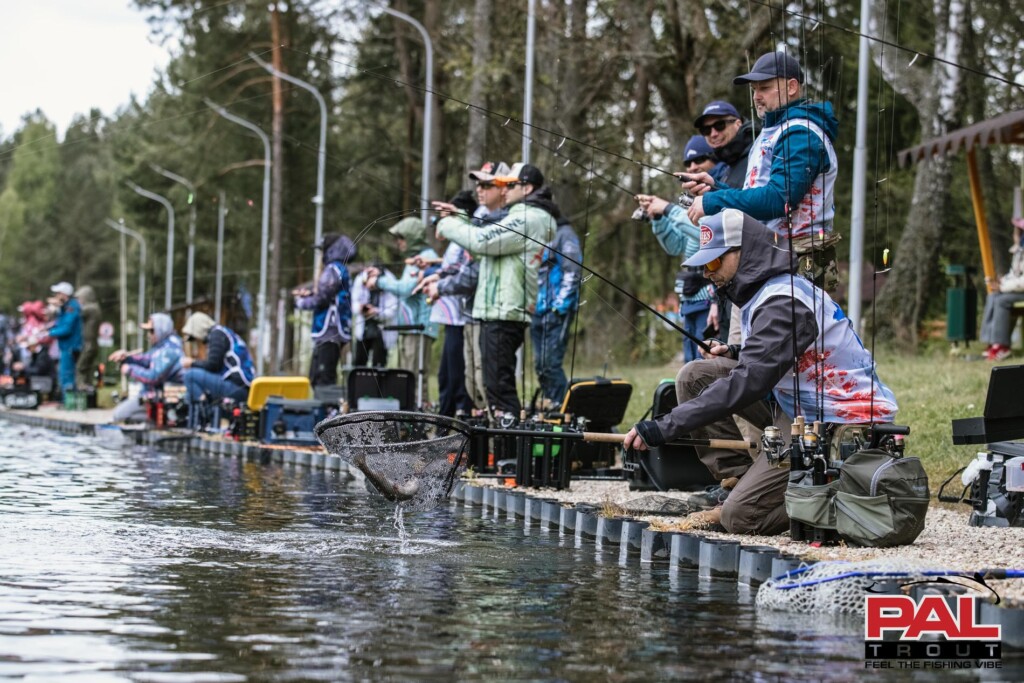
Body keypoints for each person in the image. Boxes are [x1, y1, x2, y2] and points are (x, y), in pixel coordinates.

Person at [622, 209, 898, 535]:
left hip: (834, 417)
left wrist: (663, 427)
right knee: (695, 376)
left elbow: (750, 381)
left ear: (746, 251)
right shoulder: (768, 292)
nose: (707, 273)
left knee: (741, 518)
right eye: (703, 265)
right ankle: (739, 481)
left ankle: (847, 487)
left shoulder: (783, 301)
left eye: (714, 262)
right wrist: (735, 352)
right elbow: (781, 356)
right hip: (797, 404)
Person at [685, 52, 840, 293]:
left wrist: (714, 201)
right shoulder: (773, 131)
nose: (756, 97)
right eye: (754, 89)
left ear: (792, 87)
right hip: (775, 258)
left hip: (800, 263)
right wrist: (714, 188)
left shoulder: (801, 133)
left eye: (764, 88)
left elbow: (779, 199)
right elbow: (758, 194)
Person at [436, 162, 558, 416]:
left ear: (527, 188)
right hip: (496, 310)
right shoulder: (521, 216)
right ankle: (503, 437)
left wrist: (447, 225)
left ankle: (508, 440)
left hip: (504, 311)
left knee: (500, 389)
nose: (504, 190)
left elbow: (482, 241)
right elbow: (484, 248)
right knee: (494, 386)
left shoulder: (528, 219)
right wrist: (460, 219)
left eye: (509, 185)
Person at [636, 135, 723, 361]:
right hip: (690, 299)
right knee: (690, 363)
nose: (692, 166)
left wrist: (668, 209)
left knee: (708, 365)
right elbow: (676, 247)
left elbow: (710, 235)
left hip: (711, 300)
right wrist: (658, 218)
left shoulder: (720, 199)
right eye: (688, 163)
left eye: (700, 160)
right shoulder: (690, 203)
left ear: (715, 161)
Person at [415, 190, 479, 417]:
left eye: (446, 215)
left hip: (459, 316)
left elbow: (462, 271)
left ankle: (461, 415)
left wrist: (435, 280)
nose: (440, 222)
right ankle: (444, 417)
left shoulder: (467, 238)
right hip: (449, 316)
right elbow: (451, 266)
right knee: (445, 375)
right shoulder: (455, 242)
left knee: (457, 374)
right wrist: (434, 272)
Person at [370, 218, 440, 405]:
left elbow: (406, 288)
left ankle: (420, 417)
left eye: (401, 238)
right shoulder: (415, 258)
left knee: (416, 376)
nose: (398, 242)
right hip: (410, 328)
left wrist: (378, 281)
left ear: (412, 237)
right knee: (407, 376)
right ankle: (409, 415)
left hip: (419, 328)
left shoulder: (426, 257)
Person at [294, 233, 357, 387]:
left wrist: (301, 302)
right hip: (331, 331)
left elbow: (322, 298)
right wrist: (310, 294)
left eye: (323, 249)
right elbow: (329, 294)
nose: (321, 254)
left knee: (324, 378)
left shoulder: (333, 270)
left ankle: (326, 403)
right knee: (316, 376)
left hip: (330, 330)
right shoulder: (339, 269)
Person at [531, 214, 581, 407]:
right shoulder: (538, 232)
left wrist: (560, 306)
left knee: (550, 363)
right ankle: (551, 402)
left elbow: (573, 271)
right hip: (537, 310)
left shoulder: (564, 234)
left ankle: (563, 407)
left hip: (556, 311)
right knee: (540, 365)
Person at [109, 313, 184, 423]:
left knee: (119, 416)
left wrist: (129, 369)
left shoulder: (170, 350)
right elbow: (147, 360)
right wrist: (127, 358)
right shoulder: (161, 346)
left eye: (152, 331)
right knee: (119, 415)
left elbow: (153, 377)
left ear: (161, 330)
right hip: (154, 396)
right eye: (148, 331)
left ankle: (161, 422)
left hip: (164, 399)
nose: (149, 335)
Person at [180, 312, 255, 404]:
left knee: (190, 376)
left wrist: (192, 363)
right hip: (241, 387)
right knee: (189, 394)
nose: (198, 340)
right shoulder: (223, 332)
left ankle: (204, 409)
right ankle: (198, 410)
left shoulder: (217, 334)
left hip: (236, 387)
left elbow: (213, 366)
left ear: (199, 328)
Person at [980, 216, 1024, 361]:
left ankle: (1002, 346)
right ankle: (991, 342)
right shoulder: (1019, 251)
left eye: (1017, 230)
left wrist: (1003, 287)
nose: (1014, 233)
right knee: (993, 296)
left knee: (1001, 300)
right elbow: (1014, 274)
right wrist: (1000, 282)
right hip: (1018, 290)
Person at [693, 100, 755, 190]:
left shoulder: (759, 153)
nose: (713, 134)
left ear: (738, 124)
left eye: (720, 125)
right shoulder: (727, 165)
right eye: (706, 130)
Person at [351, 263, 398, 367]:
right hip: (364, 327)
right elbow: (354, 302)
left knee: (379, 364)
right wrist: (360, 308)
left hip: (381, 328)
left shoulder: (389, 281)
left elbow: (392, 309)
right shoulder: (361, 278)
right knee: (359, 362)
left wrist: (376, 312)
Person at [46, 281, 83, 396]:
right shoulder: (66, 307)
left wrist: (50, 333)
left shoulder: (71, 307)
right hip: (66, 346)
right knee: (65, 374)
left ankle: (68, 400)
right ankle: (67, 399)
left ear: (64, 294)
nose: (56, 296)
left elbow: (66, 328)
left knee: (66, 375)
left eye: (58, 293)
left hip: (70, 346)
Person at [74, 285, 101, 391]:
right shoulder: (94, 308)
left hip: (88, 344)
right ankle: (89, 389)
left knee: (80, 367)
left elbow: (76, 312)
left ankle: (81, 389)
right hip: (91, 343)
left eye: (80, 298)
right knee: (87, 368)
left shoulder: (91, 308)